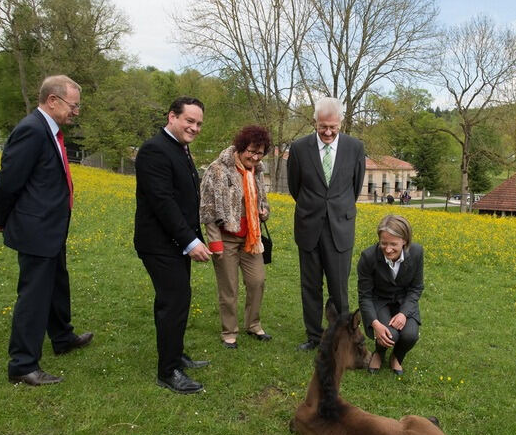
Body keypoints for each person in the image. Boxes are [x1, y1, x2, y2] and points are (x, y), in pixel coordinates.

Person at [0, 75, 93, 386]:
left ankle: (62, 337)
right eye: (72, 106)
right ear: (52, 100)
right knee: (34, 295)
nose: (75, 112)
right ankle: (22, 364)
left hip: (51, 226)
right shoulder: (32, 131)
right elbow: (7, 181)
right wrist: (2, 217)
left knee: (57, 286)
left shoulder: (50, 131)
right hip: (36, 228)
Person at [134, 96, 213, 394]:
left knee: (179, 300)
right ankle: (168, 371)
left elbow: (185, 199)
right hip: (159, 243)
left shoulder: (179, 148)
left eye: (199, 123)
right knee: (173, 303)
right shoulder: (155, 150)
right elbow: (163, 203)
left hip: (175, 243)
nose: (194, 128)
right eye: (189, 121)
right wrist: (190, 241)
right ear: (172, 117)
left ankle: (175, 354)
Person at [287, 97, 366, 351]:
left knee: (339, 288)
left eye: (333, 127)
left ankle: (342, 337)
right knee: (310, 285)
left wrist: (336, 209)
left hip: (340, 228)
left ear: (341, 122)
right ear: (315, 122)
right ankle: (314, 336)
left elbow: (354, 188)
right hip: (309, 226)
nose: (328, 132)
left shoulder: (355, 148)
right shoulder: (299, 148)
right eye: (323, 127)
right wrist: (315, 208)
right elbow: (294, 187)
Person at [200, 125, 272, 349]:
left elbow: (263, 201)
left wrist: (264, 212)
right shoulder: (218, 170)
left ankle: (253, 324)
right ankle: (229, 331)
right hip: (226, 238)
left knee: (257, 281)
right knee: (229, 288)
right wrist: (215, 243)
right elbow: (208, 210)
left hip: (251, 237)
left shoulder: (257, 171)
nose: (255, 156)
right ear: (241, 148)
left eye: (259, 153)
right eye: (251, 151)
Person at [357, 214, 424, 376]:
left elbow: (416, 287)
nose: (387, 249)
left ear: (405, 241)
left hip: (404, 301)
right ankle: (379, 353)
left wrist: (404, 313)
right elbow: (365, 296)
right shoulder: (368, 257)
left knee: (410, 335)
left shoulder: (416, 252)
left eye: (393, 244)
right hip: (379, 301)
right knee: (389, 334)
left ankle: (397, 356)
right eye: (383, 243)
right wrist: (375, 324)